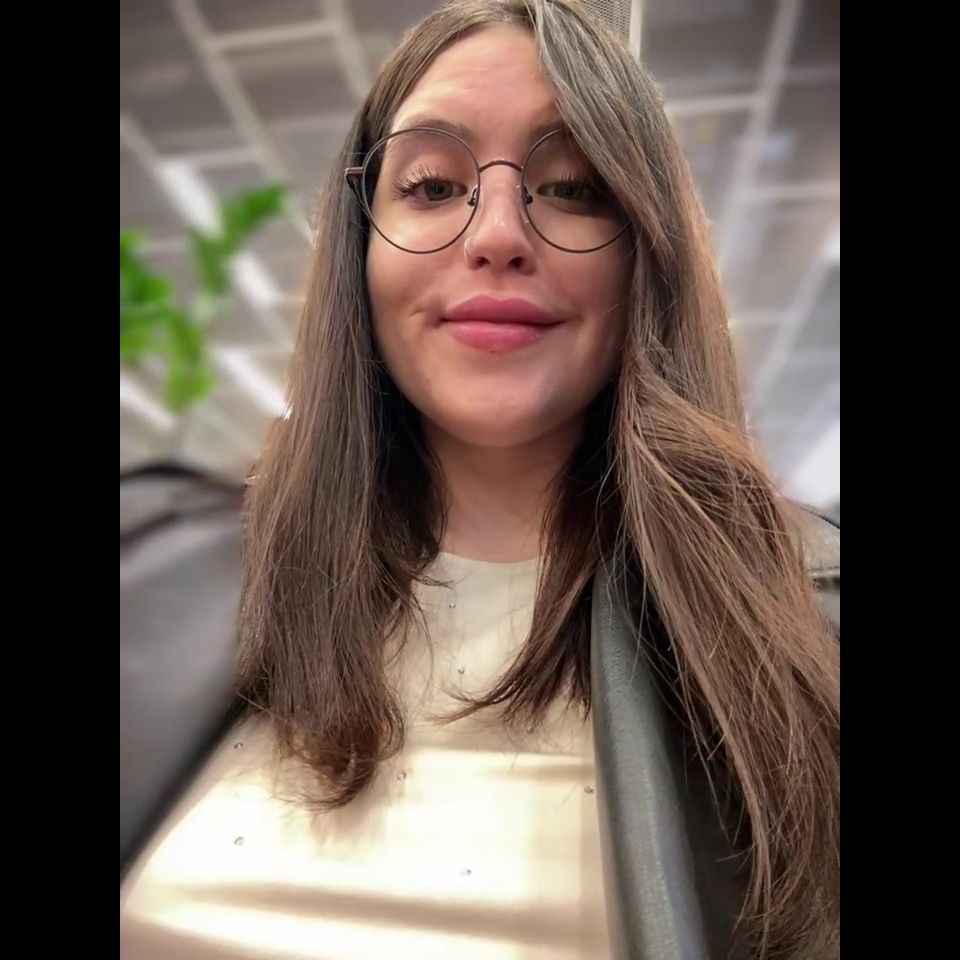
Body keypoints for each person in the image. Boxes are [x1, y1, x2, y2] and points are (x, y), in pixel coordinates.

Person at [119, 2, 840, 958]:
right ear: (361, 243)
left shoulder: (812, 625)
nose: (498, 233)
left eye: (573, 187)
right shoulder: (155, 578)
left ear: (647, 250)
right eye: (430, 185)